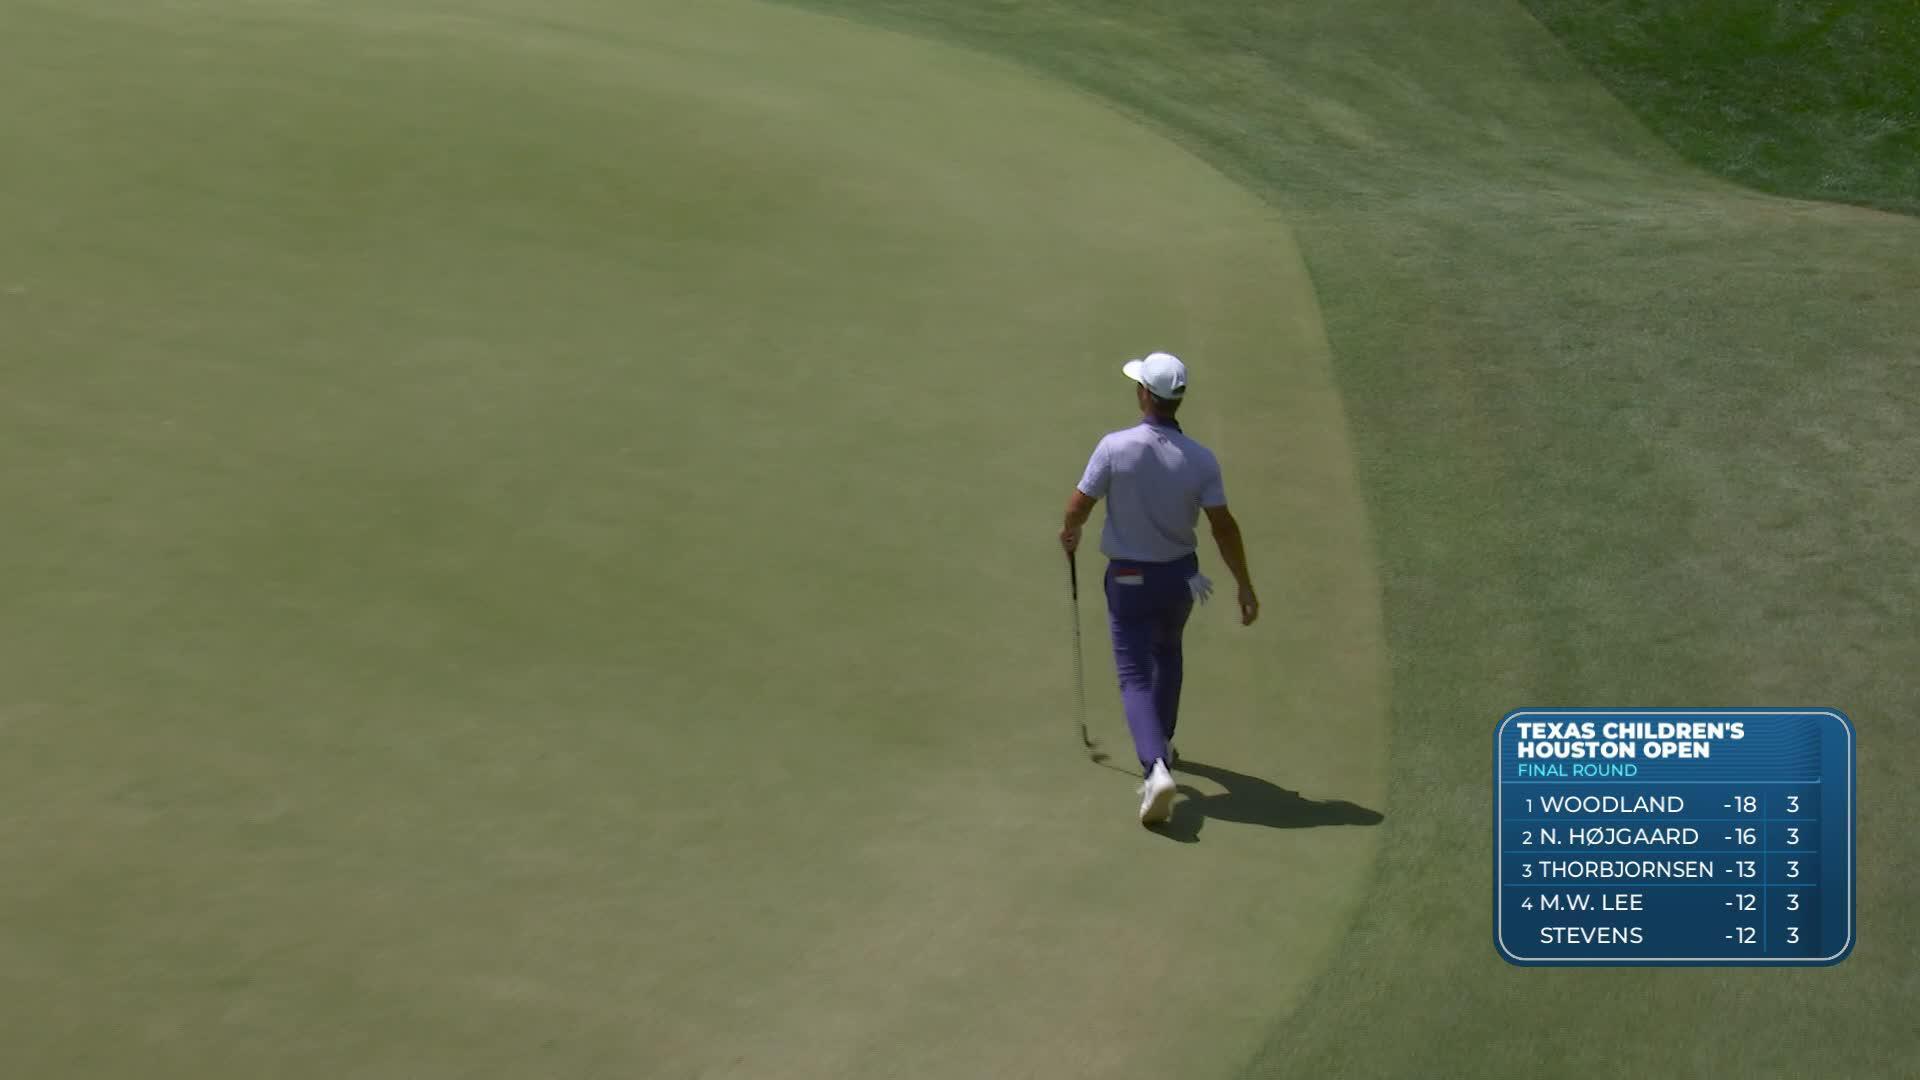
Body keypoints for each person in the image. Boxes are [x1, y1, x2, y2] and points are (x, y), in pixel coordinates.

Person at [1059, 352, 1259, 825]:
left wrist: (1071, 532)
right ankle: (1162, 742)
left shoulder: (1115, 447)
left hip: (1128, 580)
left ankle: (1155, 769)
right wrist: (1244, 586)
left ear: (1145, 395)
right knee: (1167, 655)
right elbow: (1224, 528)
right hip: (1181, 580)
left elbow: (1077, 506)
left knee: (1132, 673)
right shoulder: (1201, 459)